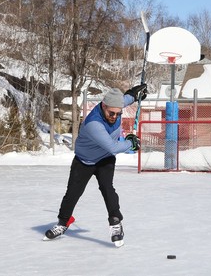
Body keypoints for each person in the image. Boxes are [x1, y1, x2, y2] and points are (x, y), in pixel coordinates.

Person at [44, 84, 147, 247]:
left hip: (104, 159)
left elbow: (126, 99)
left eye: (118, 113)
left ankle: (115, 223)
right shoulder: (94, 123)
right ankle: (63, 223)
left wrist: (134, 95)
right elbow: (112, 147)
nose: (114, 116)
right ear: (103, 106)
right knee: (72, 193)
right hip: (84, 161)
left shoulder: (116, 105)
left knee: (107, 188)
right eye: (111, 113)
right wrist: (130, 143)